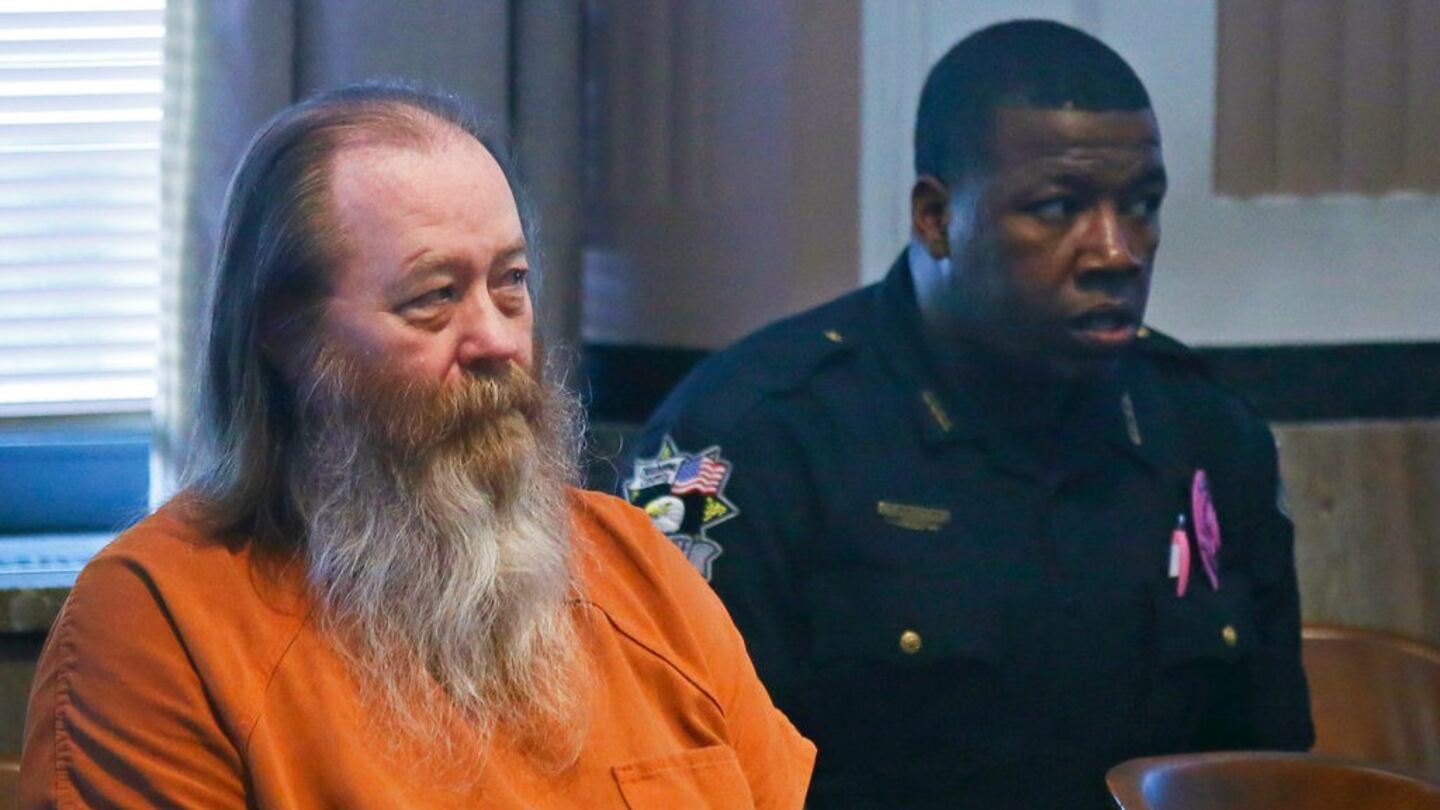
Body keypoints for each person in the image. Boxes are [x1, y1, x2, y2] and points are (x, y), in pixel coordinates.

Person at [20, 84, 814, 809]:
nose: (497, 340)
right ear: (286, 336)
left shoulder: (639, 569)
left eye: (511, 281)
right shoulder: (160, 624)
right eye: (435, 296)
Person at [623, 19, 1312, 809]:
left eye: (1142, 206)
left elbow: (1271, 776)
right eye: (1059, 208)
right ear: (935, 217)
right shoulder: (751, 439)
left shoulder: (1208, 435)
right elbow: (671, 774)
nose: (1117, 251)